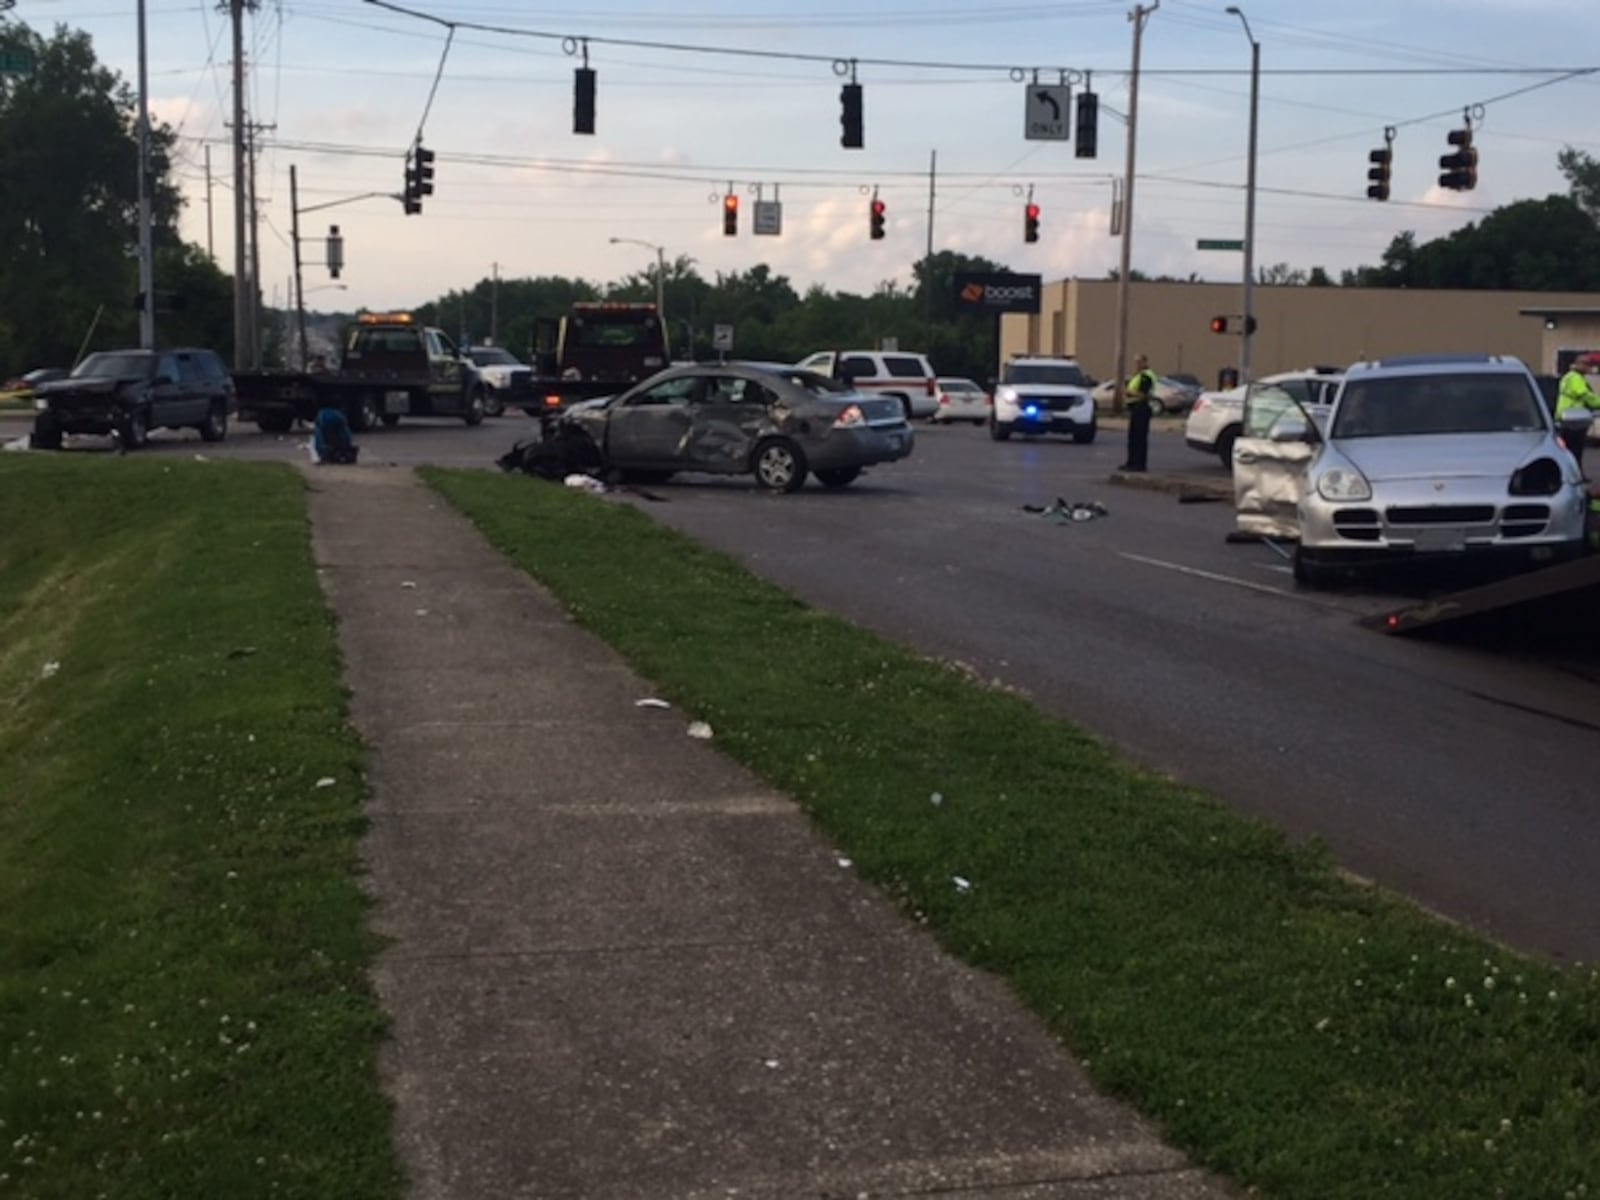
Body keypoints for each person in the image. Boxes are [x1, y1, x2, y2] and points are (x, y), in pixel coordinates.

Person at [1555, 355, 1600, 475]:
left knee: (1568, 450)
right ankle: (1575, 475)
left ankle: (1572, 473)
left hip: (1567, 418)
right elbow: (1584, 395)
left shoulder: (1569, 376)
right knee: (1575, 450)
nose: (1589, 368)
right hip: (1574, 419)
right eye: (1587, 365)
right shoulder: (1576, 378)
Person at [1119, 354, 1157, 472]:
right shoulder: (1139, 375)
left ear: (1145, 362)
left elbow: (1143, 395)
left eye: (1139, 362)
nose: (1137, 364)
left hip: (1142, 408)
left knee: (1139, 438)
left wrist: (1129, 392)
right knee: (1133, 437)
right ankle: (1131, 462)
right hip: (1135, 409)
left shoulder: (1147, 376)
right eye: (1136, 362)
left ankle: (1139, 464)